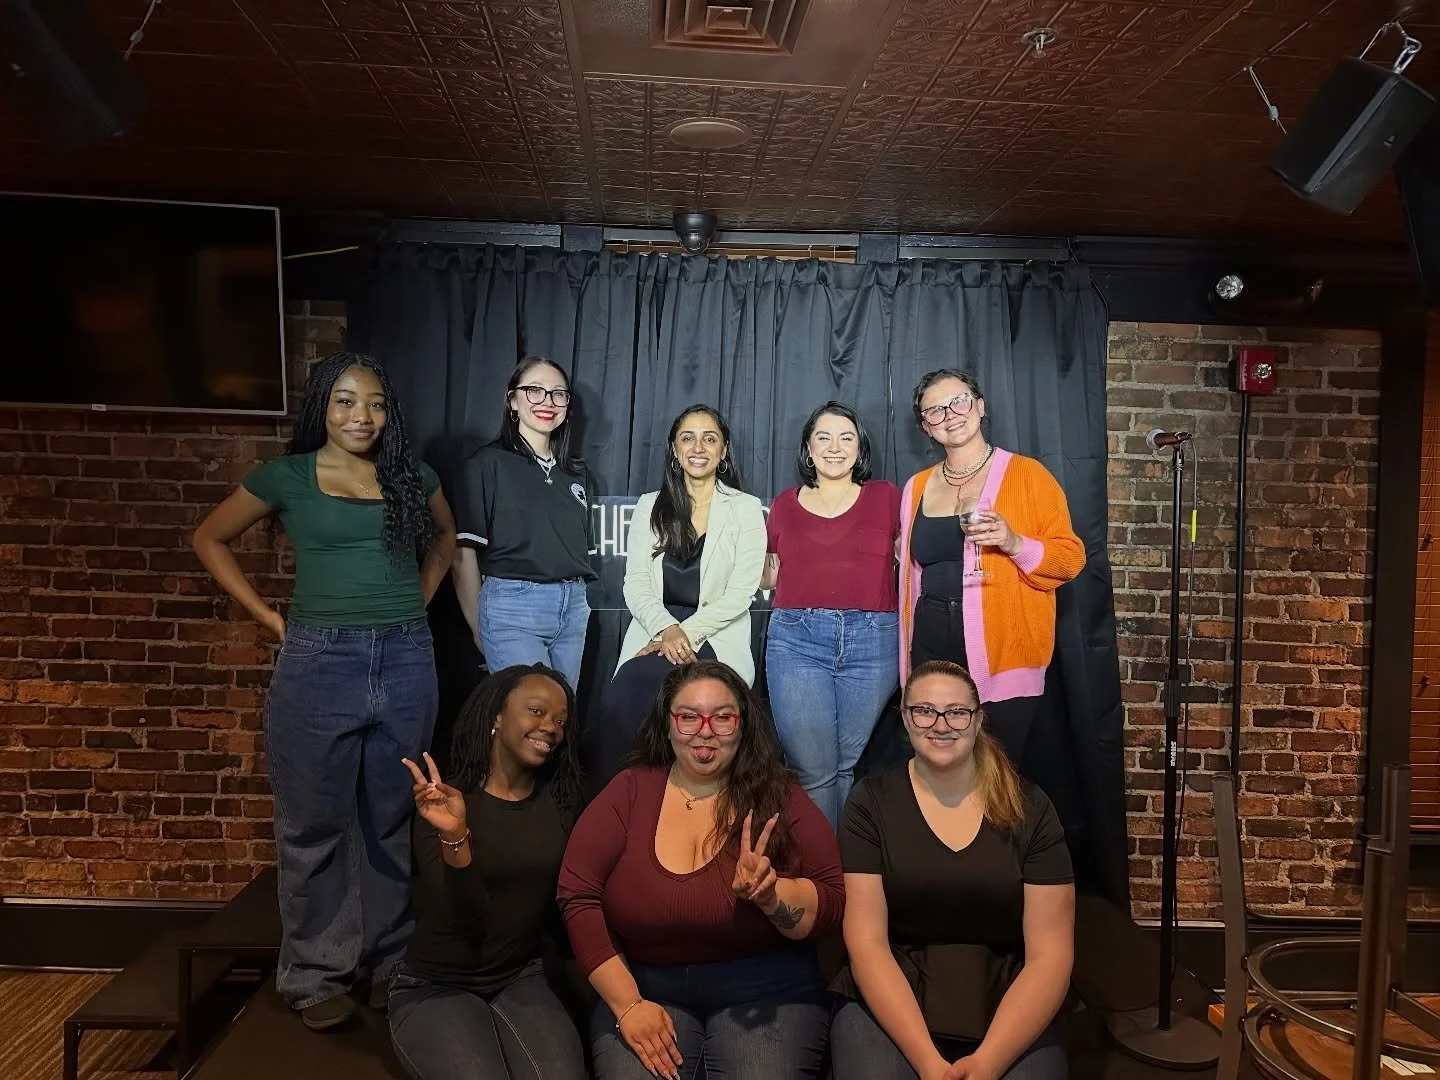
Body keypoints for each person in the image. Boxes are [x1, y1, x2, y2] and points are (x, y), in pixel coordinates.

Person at [191, 351, 455, 1030]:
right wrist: (271, 618)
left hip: (405, 660)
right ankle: (315, 975)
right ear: (322, 408)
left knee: (390, 818)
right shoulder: (288, 476)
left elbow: (448, 540)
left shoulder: (412, 476)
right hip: (318, 662)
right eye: (344, 401)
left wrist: (417, 606)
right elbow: (210, 538)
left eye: (373, 403)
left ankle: (389, 963)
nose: (360, 415)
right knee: (313, 826)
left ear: (388, 413)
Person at [558, 659, 843, 1080]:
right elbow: (577, 894)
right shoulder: (631, 789)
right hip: (644, 989)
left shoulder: (779, 793)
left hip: (765, 988)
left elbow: (833, 899)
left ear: (743, 725)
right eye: (689, 717)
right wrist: (629, 1005)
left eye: (723, 717)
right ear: (668, 724)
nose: (705, 729)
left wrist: (772, 896)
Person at [831, 660, 1075, 1080]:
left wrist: (987, 1063)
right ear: (905, 720)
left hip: (1006, 999)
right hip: (892, 996)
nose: (940, 724)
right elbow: (867, 944)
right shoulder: (868, 804)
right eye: (924, 710)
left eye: (957, 712)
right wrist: (928, 1063)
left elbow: (1050, 956)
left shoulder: (1031, 807)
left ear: (978, 720)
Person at [388, 664, 588, 1080]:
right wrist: (456, 835)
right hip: (436, 985)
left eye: (560, 720)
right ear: (496, 715)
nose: (550, 726)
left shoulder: (563, 803)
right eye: (536, 711)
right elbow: (461, 915)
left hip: (520, 976)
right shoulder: (444, 802)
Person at [898, 369, 1085, 767]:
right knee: (939, 766)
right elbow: (910, 579)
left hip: (1002, 651)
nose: (949, 414)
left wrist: (1014, 543)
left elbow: (1069, 559)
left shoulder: (1028, 475)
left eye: (959, 401)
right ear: (926, 428)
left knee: (996, 774)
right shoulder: (915, 487)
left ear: (980, 406)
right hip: (931, 648)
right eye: (934, 411)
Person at [584, 405, 766, 792]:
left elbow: (741, 592)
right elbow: (634, 583)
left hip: (714, 634)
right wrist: (666, 629)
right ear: (673, 448)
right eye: (687, 437)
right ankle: (613, 811)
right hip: (656, 630)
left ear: (724, 451)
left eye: (709, 438)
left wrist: (683, 635)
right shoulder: (651, 505)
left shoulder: (746, 509)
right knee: (622, 699)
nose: (698, 447)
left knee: (696, 707)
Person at [763, 401, 902, 828]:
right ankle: (832, 881)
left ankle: (838, 878)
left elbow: (913, 561)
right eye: (823, 437)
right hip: (797, 639)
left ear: (860, 448)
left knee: (843, 766)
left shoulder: (888, 498)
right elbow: (767, 577)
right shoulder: (785, 504)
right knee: (814, 771)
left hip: (875, 642)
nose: (835, 447)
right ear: (808, 448)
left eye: (847, 437)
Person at [451, 357, 597, 693]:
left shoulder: (575, 474)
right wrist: (479, 627)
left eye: (558, 394)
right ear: (512, 400)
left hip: (573, 606)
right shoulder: (486, 464)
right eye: (535, 391)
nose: (547, 402)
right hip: (513, 606)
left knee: (561, 717)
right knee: (530, 715)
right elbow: (462, 555)